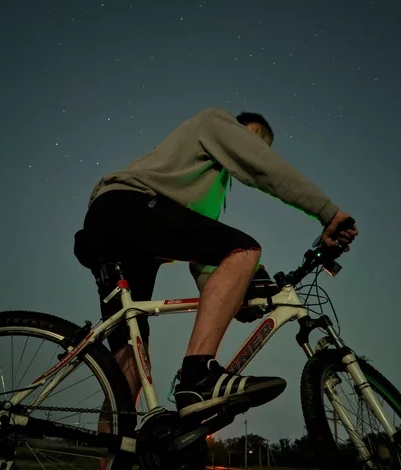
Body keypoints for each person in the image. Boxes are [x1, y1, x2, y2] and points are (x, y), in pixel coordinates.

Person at [74, 108, 358, 423]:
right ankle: (198, 377)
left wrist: (237, 298)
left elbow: (202, 260)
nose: (255, 152)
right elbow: (263, 168)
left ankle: (111, 454)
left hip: (117, 229)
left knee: (130, 367)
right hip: (128, 207)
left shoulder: (202, 186)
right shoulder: (216, 122)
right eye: (258, 144)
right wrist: (328, 213)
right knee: (245, 249)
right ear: (248, 132)